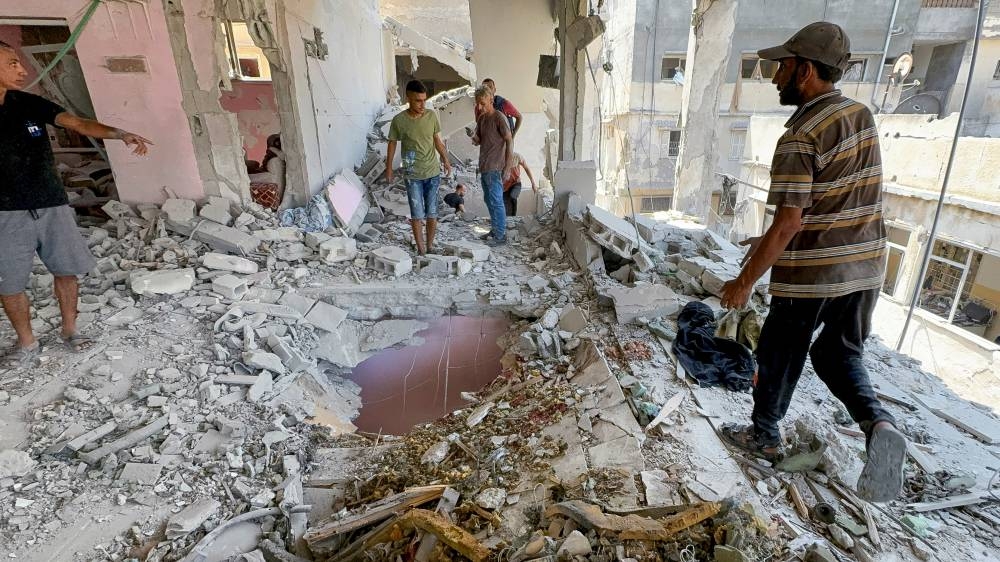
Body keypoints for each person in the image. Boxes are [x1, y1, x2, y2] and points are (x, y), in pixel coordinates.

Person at [717, 22, 906, 503]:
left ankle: (763, 434)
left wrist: (743, 283)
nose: (774, 76)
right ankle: (877, 422)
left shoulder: (800, 134)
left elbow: (790, 221)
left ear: (804, 70)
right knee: (837, 354)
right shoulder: (859, 115)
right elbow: (834, 195)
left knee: (781, 349)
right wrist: (766, 238)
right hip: (865, 265)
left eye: (782, 66)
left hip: (815, 269)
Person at [0, 40, 152, 367]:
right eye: (12, 62)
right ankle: (27, 344)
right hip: (4, 214)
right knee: (9, 282)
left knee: (66, 270)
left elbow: (79, 124)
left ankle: (70, 331)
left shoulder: (28, 103)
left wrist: (119, 133)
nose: (22, 69)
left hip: (52, 204)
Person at [386, 80, 451, 255]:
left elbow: (437, 140)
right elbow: (392, 143)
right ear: (408, 99)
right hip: (411, 172)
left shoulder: (431, 116)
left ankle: (430, 247)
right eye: (418, 101)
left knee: (432, 212)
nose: (423, 104)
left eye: (424, 100)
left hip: (432, 171)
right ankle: (421, 250)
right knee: (417, 213)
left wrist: (446, 159)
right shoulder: (399, 120)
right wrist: (389, 169)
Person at [471, 87, 513, 246]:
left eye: (482, 103)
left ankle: (501, 235)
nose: (480, 107)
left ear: (491, 100)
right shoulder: (482, 119)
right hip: (485, 166)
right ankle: (496, 230)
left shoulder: (499, 117)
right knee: (489, 200)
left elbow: (509, 141)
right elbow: (480, 140)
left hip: (496, 167)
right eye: (477, 104)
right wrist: (474, 138)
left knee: (496, 201)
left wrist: (508, 166)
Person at [502, 152, 537, 216]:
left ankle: (514, 218)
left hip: (516, 183)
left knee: (512, 196)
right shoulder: (498, 158)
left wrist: (533, 183)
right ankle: (510, 222)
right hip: (504, 187)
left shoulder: (517, 156)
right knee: (507, 210)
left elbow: (526, 168)